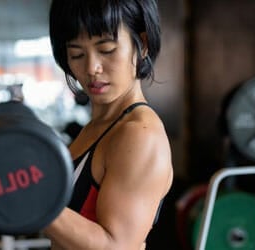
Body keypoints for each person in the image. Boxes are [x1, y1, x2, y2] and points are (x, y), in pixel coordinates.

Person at [43, 0, 173, 249]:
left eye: (107, 49)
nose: (92, 68)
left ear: (142, 45)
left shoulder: (139, 134)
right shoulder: (97, 126)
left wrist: (34, 200)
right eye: (77, 54)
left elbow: (116, 245)